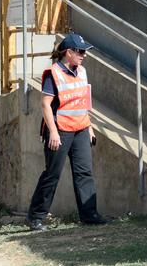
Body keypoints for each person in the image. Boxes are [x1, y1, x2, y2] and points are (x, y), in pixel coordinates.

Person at [26, 32, 106, 231]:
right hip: (60, 130)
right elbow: (45, 104)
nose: (84, 55)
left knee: (84, 173)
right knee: (52, 174)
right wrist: (52, 132)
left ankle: (89, 215)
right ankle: (36, 217)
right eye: (80, 52)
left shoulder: (82, 71)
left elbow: (83, 103)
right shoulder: (53, 73)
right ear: (68, 53)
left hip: (80, 128)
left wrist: (89, 128)